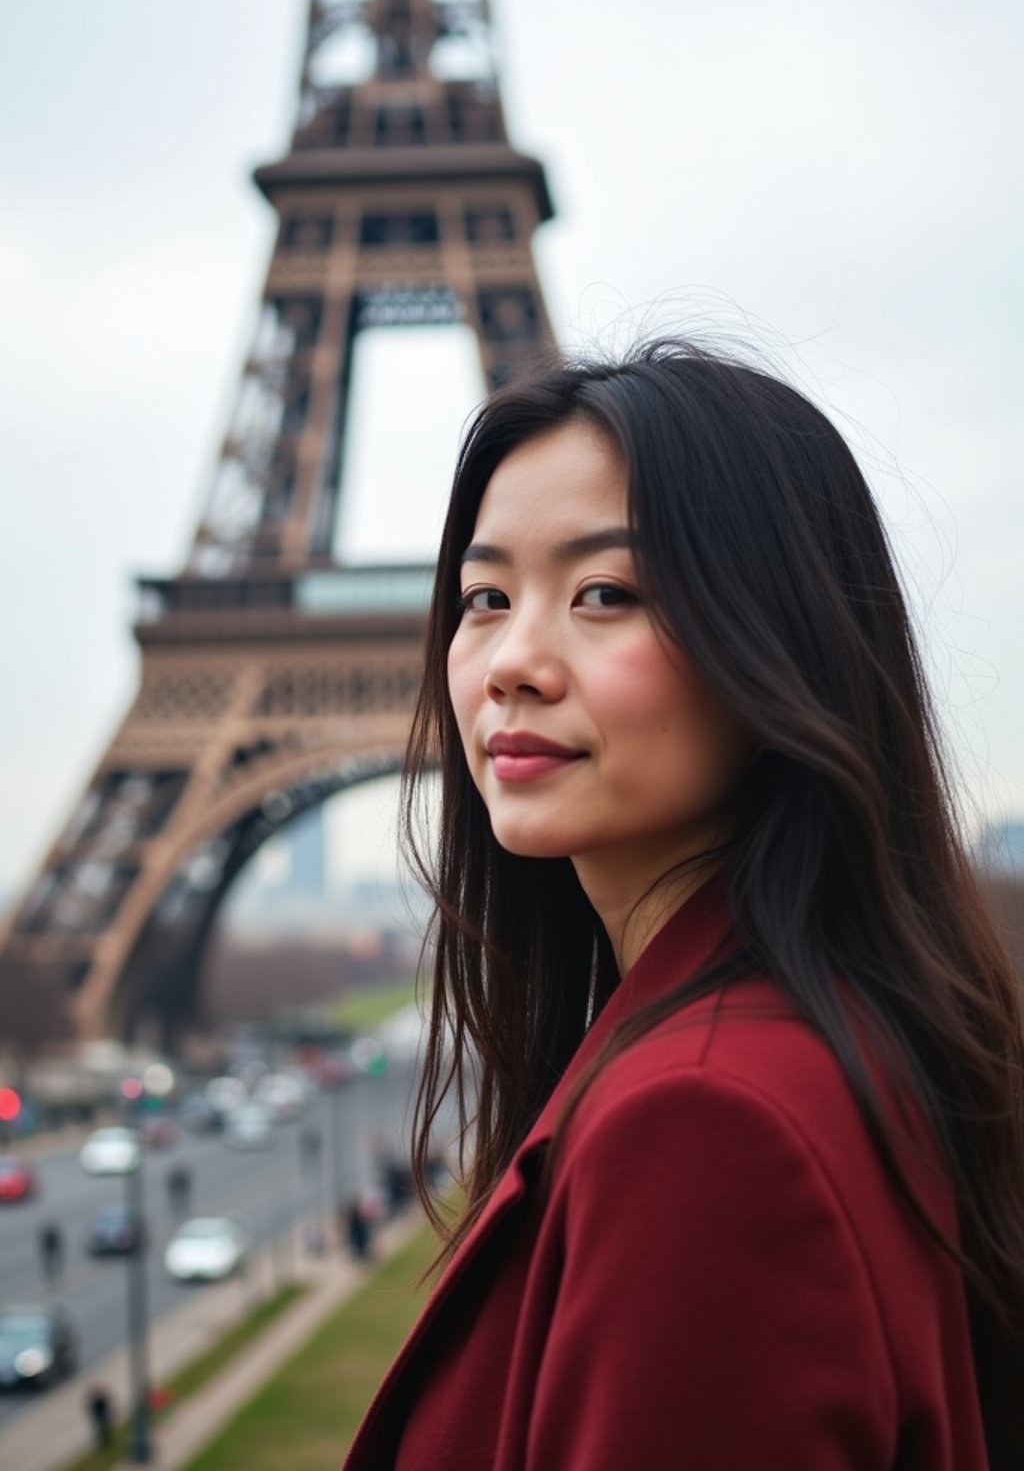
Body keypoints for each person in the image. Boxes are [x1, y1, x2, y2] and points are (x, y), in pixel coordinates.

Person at [342, 341, 1024, 1470]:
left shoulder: (707, 1127)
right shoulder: (838, 1044)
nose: (512, 659)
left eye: (604, 593)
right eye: (483, 597)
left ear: (776, 645)